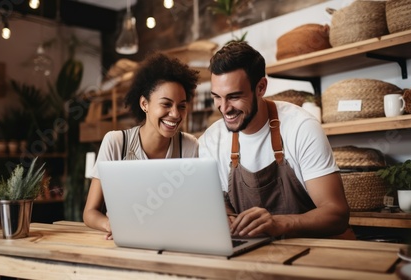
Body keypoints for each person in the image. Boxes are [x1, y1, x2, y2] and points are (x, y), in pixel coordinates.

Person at [198, 41, 353, 239]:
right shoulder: (211, 141)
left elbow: (337, 214)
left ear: (261, 87)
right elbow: (219, 204)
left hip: (312, 252)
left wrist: (280, 223)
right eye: (217, 97)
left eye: (234, 97)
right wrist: (225, 216)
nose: (224, 108)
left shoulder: (301, 127)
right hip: (251, 255)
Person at [83, 53, 200, 239]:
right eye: (166, 104)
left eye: (182, 106)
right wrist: (110, 224)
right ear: (144, 104)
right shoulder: (116, 143)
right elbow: (90, 212)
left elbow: (194, 209)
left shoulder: (189, 146)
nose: (175, 114)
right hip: (123, 244)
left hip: (172, 241)